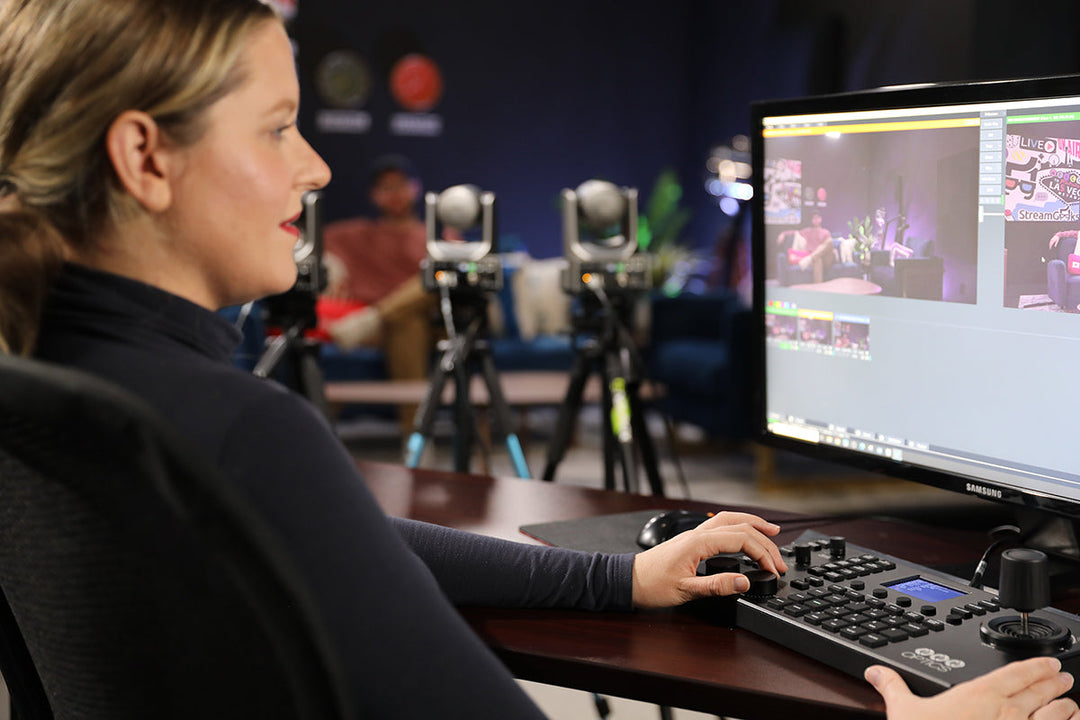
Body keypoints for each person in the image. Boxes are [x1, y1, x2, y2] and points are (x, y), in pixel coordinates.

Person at [0, 2, 1075, 718]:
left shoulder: (57, 387)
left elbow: (352, 541)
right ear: (144, 156)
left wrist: (620, 578)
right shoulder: (237, 434)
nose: (315, 166)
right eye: (278, 127)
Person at [320, 154, 436, 432]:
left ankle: (375, 317)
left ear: (415, 188)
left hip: (436, 322)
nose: (394, 194)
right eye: (385, 188)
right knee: (407, 325)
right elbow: (303, 238)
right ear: (374, 195)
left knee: (437, 274)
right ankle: (415, 439)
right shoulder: (356, 234)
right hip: (386, 331)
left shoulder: (433, 235)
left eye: (400, 185)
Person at [776, 211, 835, 283]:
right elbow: (794, 232)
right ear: (812, 220)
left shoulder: (826, 232)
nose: (816, 220)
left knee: (829, 241)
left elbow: (829, 246)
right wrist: (782, 234)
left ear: (821, 219)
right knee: (817, 259)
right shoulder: (807, 231)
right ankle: (818, 285)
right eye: (814, 218)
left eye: (817, 218)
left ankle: (810, 258)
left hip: (826, 258)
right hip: (815, 259)